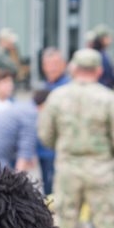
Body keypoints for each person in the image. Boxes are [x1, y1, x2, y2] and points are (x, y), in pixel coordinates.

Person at [38, 48, 114, 228]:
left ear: (74, 69)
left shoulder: (57, 96)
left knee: (63, 224)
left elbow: (45, 134)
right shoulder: (109, 98)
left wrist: (63, 149)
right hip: (101, 167)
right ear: (98, 70)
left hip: (68, 167)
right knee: (106, 223)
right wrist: (107, 153)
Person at [35, 47, 69, 195]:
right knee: (47, 189)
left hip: (60, 150)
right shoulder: (45, 86)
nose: (52, 68)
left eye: (56, 64)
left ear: (64, 65)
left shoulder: (68, 87)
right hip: (43, 150)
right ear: (43, 67)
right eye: (48, 64)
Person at [88, 25, 114, 90]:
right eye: (108, 37)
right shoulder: (97, 56)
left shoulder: (102, 54)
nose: (111, 40)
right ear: (102, 39)